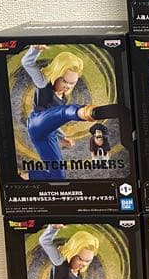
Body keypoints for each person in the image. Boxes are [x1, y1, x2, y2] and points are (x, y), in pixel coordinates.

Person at [19, 46, 122, 180]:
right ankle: (87, 112)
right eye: (64, 81)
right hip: (36, 123)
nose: (67, 86)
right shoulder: (44, 83)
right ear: (56, 74)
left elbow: (54, 119)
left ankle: (23, 177)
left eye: (72, 83)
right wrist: (35, 50)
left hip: (48, 134)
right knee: (66, 112)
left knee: (58, 176)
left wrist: (61, 137)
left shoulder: (63, 98)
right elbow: (27, 63)